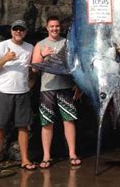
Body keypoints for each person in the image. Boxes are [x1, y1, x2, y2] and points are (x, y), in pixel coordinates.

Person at [0, 19, 37, 173]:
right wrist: (5, 58)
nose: (18, 32)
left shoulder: (30, 48)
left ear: (26, 32)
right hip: (4, 92)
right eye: (16, 29)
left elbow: (33, 69)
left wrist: (32, 81)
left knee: (23, 126)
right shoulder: (2, 46)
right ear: (11, 31)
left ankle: (25, 159)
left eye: (21, 29)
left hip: (23, 93)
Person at [31, 16, 83, 168]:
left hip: (66, 87)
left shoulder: (68, 43)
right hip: (47, 88)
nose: (54, 29)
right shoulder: (40, 45)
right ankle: (46, 156)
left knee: (69, 120)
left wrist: (78, 85)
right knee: (47, 122)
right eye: (51, 26)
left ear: (60, 28)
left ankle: (72, 153)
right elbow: (34, 68)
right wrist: (43, 55)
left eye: (57, 26)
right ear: (47, 28)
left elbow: (78, 67)